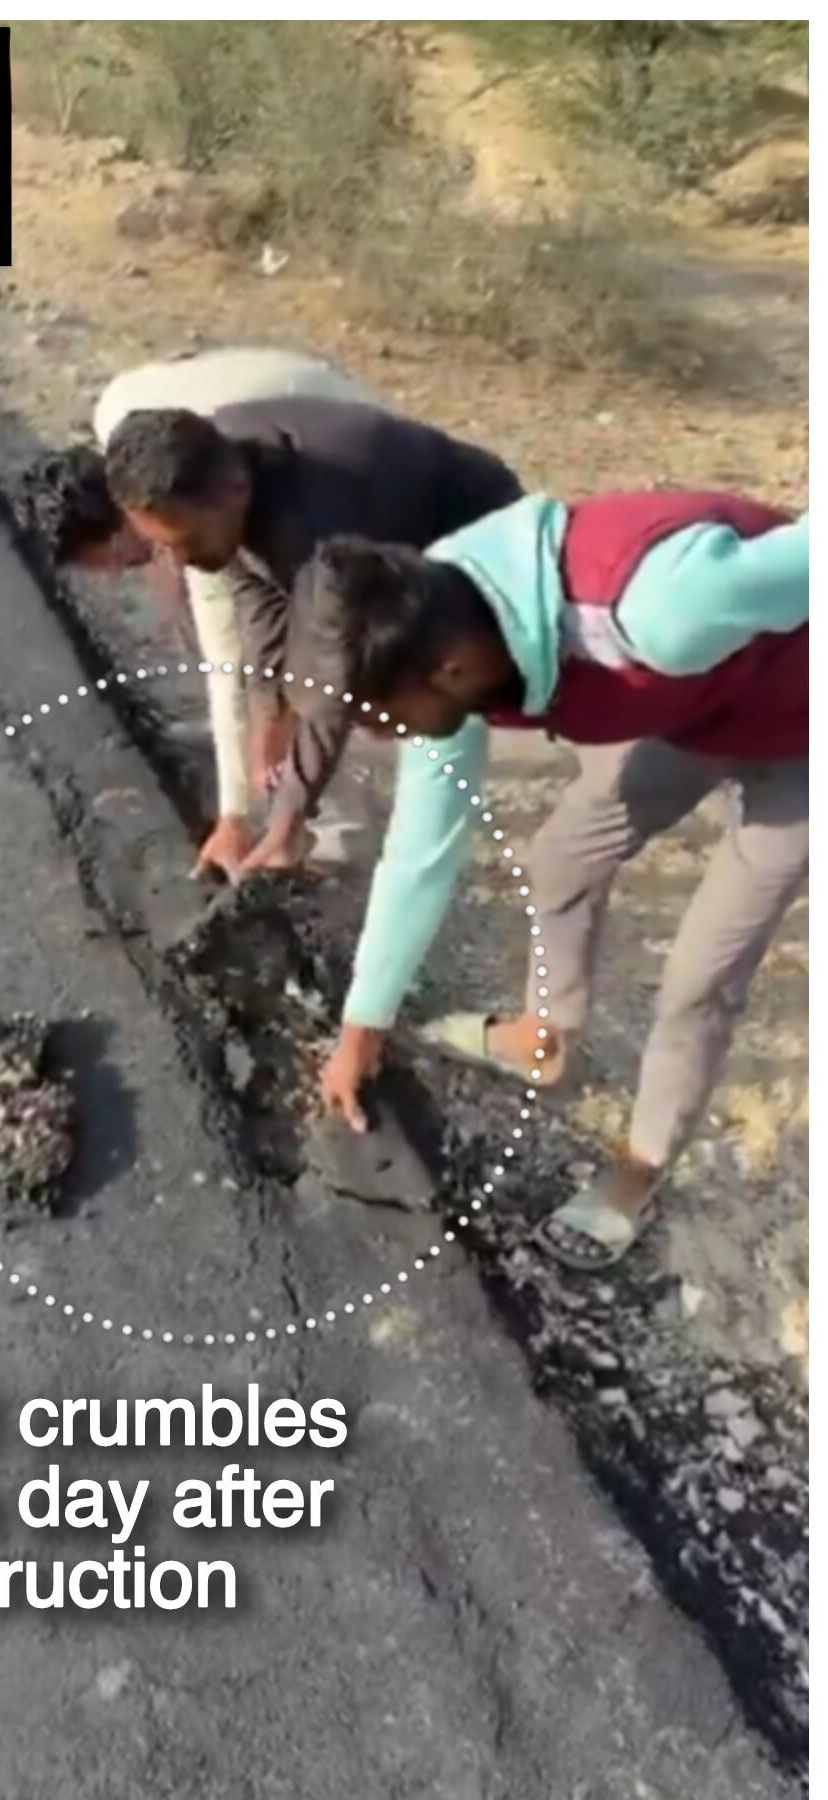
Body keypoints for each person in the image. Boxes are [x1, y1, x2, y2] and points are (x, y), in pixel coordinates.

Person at [282, 489, 808, 1272]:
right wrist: (363, 1027)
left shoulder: (668, 607)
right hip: (704, 710)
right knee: (562, 858)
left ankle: (641, 1166)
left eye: (380, 722)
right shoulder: (434, 625)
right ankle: (547, 1040)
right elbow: (422, 848)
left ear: (451, 670)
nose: (380, 740)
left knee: (701, 975)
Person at [101, 397, 523, 875]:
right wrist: (268, 723)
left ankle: (419, 863)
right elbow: (258, 599)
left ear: (234, 492)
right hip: (388, 549)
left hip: (475, 543)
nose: (178, 563)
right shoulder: (219, 470)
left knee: (429, 723)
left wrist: (287, 822)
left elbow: (335, 678)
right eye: (162, 546)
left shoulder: (313, 528)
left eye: (187, 543)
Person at [23, 347, 377, 879]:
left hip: (340, 456)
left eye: (116, 558)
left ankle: (337, 829)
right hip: (274, 420)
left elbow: (231, 659)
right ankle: (270, 769)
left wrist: (236, 813)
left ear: (124, 519)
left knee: (314, 660)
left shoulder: (193, 506)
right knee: (196, 609)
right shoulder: (122, 429)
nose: (119, 574)